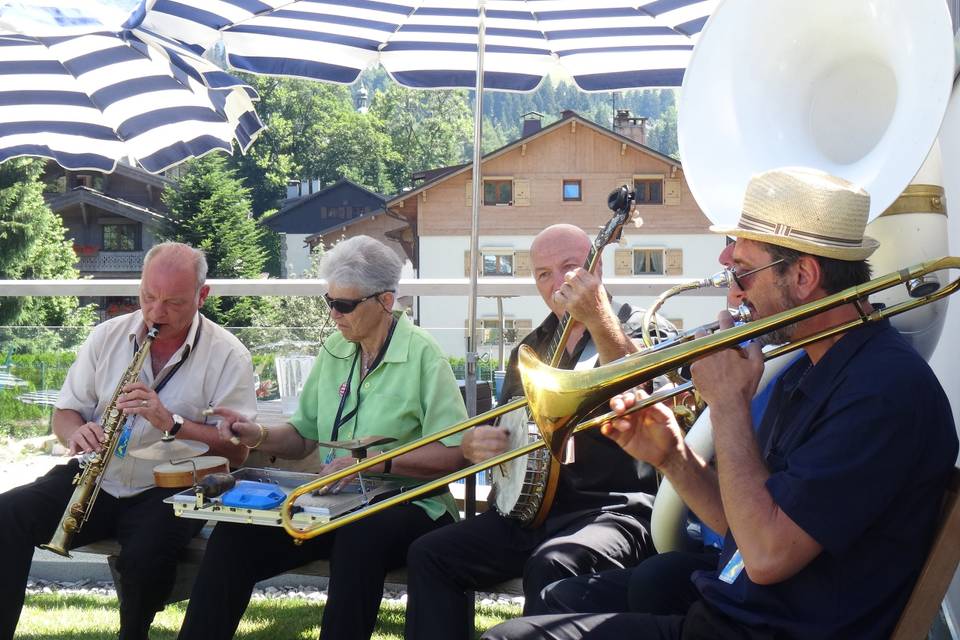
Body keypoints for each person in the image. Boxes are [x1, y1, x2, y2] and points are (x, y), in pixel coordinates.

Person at [482, 167, 958, 640]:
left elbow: (767, 555)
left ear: (805, 275)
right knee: (561, 599)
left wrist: (728, 402)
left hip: (768, 628)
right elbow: (743, 521)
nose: (731, 288)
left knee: (509, 639)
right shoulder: (814, 366)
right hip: (744, 605)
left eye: (743, 273)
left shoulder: (880, 391)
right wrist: (673, 456)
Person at [176, 235, 468, 640]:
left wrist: (374, 463)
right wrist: (254, 434)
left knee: (357, 538)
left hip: (410, 504)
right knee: (235, 536)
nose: (334, 314)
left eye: (345, 305)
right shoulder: (335, 348)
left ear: (385, 301)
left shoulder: (423, 355)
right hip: (336, 503)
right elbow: (303, 437)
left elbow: (454, 456)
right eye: (328, 301)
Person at [404, 223, 676, 640]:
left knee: (553, 562)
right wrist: (480, 444)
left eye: (569, 267)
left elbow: (659, 399)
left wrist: (599, 319)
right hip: (534, 513)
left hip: (616, 510)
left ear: (596, 266)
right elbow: (507, 429)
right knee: (431, 553)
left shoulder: (645, 328)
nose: (556, 284)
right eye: (542, 274)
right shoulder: (531, 348)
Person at [0, 242, 255, 640]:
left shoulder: (229, 355)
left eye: (173, 302)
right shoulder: (107, 336)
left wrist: (171, 423)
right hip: (98, 477)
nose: (156, 313)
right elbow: (65, 413)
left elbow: (238, 451)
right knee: (8, 513)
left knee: (144, 560)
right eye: (148, 296)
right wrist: (76, 432)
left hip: (171, 487)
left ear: (202, 296)